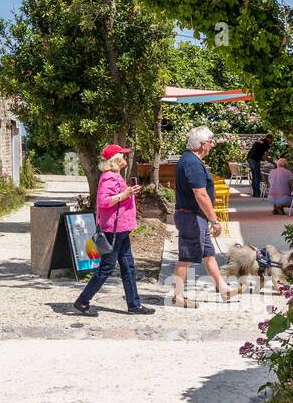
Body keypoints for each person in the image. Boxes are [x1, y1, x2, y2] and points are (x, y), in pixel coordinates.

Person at [74, 144, 155, 316]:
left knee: (129, 266)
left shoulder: (115, 175)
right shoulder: (109, 177)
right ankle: (82, 301)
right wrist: (125, 195)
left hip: (122, 229)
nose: (125, 158)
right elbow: (104, 201)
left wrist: (129, 192)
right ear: (115, 159)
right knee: (107, 268)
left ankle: (134, 305)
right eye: (122, 155)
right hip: (113, 230)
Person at [170, 126, 236, 308]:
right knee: (186, 256)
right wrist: (215, 220)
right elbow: (200, 194)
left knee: (208, 254)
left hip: (195, 216)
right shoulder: (192, 163)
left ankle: (223, 289)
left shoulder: (191, 160)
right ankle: (177, 296)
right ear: (201, 144)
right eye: (210, 141)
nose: (212, 145)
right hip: (191, 217)